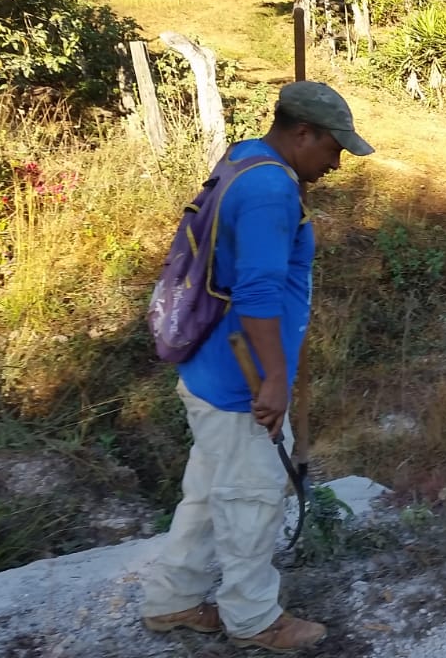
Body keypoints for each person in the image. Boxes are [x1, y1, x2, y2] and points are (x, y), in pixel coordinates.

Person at [141, 81, 374, 652]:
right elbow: (258, 294)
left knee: (206, 490)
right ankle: (253, 618)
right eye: (333, 149)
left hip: (209, 370)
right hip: (240, 378)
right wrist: (273, 380)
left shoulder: (245, 156)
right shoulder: (272, 189)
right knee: (254, 497)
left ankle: (173, 599)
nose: (336, 163)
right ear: (302, 133)